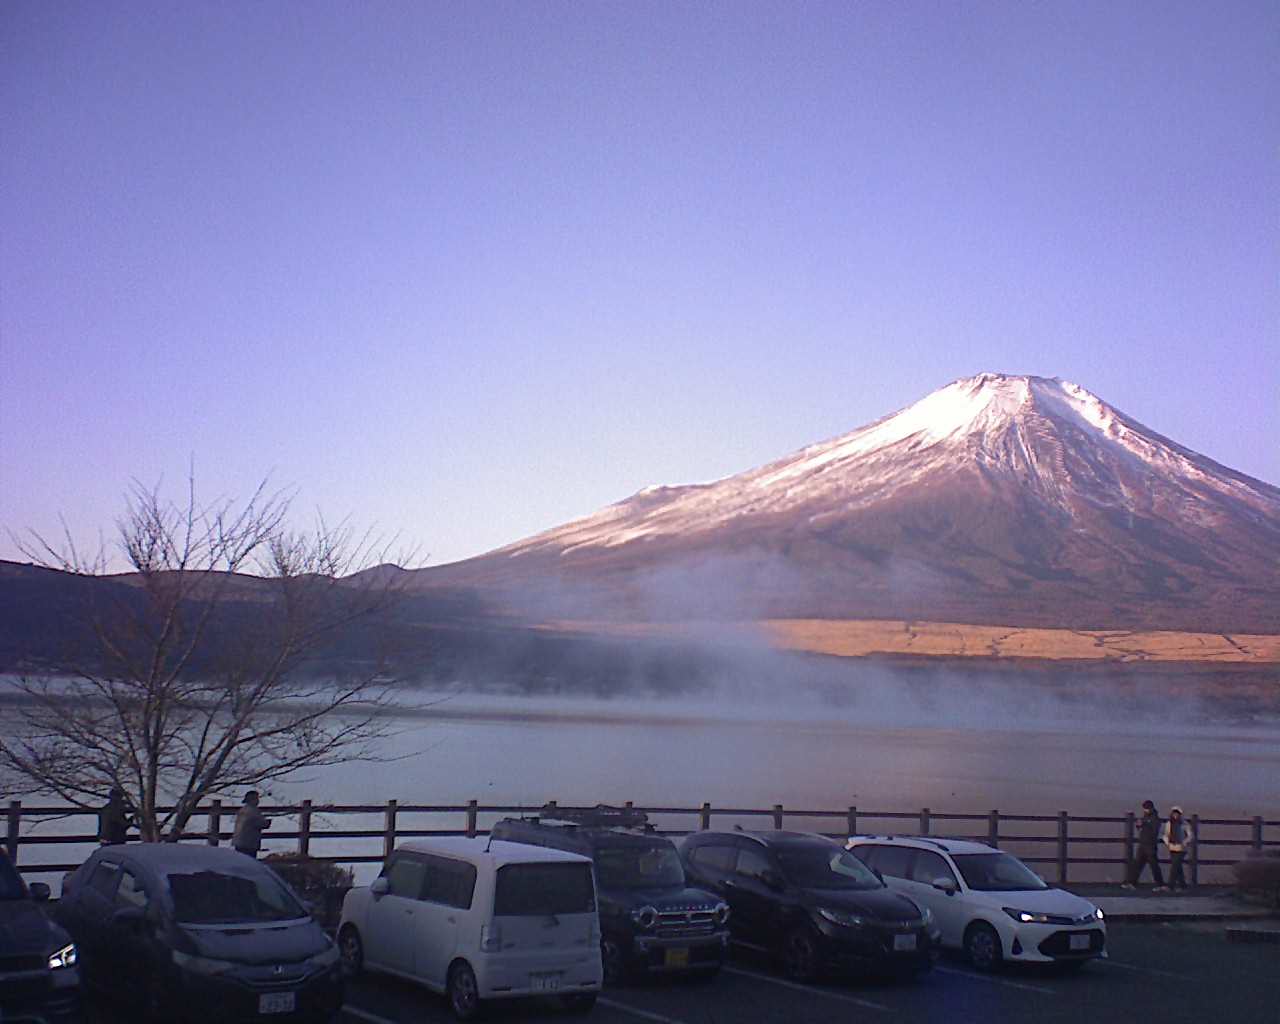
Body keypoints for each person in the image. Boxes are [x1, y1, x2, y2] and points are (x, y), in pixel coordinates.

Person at [1122, 799, 1167, 890]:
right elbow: (1142, 827)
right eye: (1144, 809)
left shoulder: (1155, 818)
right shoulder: (1146, 816)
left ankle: (1160, 884)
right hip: (1143, 844)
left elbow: (1154, 831)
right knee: (1137, 864)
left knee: (1154, 865)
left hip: (1150, 845)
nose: (1145, 810)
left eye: (1146, 809)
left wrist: (1144, 824)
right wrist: (1139, 825)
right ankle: (1132, 883)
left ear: (1151, 808)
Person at [1161, 806, 1193, 891]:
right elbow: (1165, 835)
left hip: (1181, 848)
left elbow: (1190, 836)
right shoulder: (1168, 824)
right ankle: (1183, 885)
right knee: (1177, 867)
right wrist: (1167, 842)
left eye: (1177, 814)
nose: (1175, 815)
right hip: (1172, 847)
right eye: (1174, 814)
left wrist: (1184, 843)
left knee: (1174, 866)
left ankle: (1170, 885)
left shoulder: (1185, 824)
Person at [232, 791, 271, 858]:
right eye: (256, 799)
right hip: (249, 842)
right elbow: (262, 824)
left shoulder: (242, 810)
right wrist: (268, 822)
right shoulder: (254, 811)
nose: (258, 801)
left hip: (239, 841)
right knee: (249, 860)